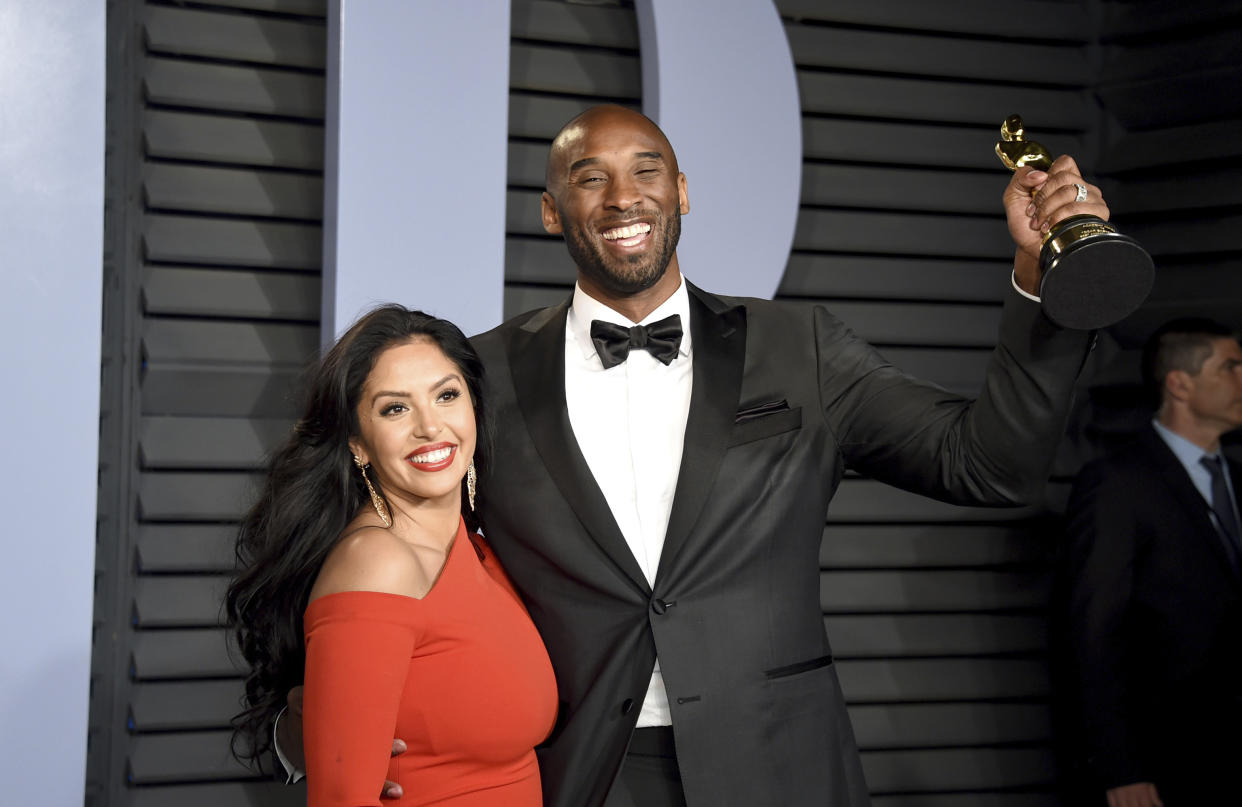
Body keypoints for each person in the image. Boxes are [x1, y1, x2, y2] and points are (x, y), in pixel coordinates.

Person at [281, 104, 1102, 806]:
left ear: (682, 192)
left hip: (779, 768)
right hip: (581, 775)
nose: (623, 195)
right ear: (550, 211)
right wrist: (319, 718)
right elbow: (375, 551)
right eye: (589, 176)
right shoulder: (477, 377)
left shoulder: (799, 346)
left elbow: (988, 463)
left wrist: (1042, 283)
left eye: (647, 170)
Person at [225, 305, 557, 806]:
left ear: (474, 408)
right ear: (358, 444)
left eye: (446, 395)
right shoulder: (380, 561)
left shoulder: (480, 549)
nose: (430, 426)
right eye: (394, 408)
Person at [1055, 318, 1242, 806]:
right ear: (1179, 383)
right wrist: (1121, 767)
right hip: (1169, 763)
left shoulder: (1239, 483)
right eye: (1231, 367)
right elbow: (1094, 633)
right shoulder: (1119, 485)